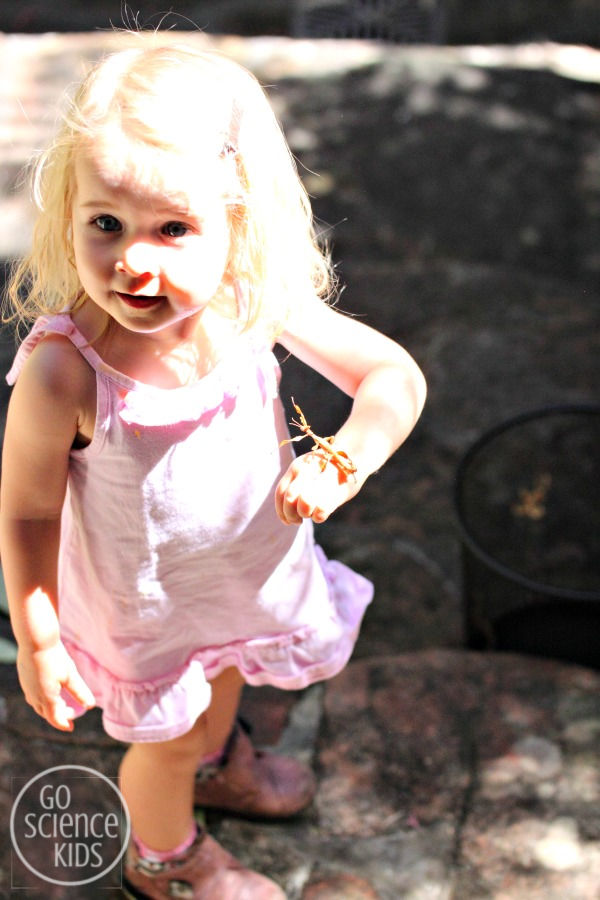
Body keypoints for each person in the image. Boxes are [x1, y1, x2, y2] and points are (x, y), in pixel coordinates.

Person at [0, 38, 426, 899]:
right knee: (162, 738)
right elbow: (27, 511)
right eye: (106, 224)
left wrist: (346, 458)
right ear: (71, 213)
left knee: (226, 669)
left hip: (240, 579)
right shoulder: (66, 371)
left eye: (173, 229)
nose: (133, 260)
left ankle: (217, 764)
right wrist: (38, 636)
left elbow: (394, 378)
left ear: (236, 220)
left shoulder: (247, 298)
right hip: (145, 610)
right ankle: (165, 858)